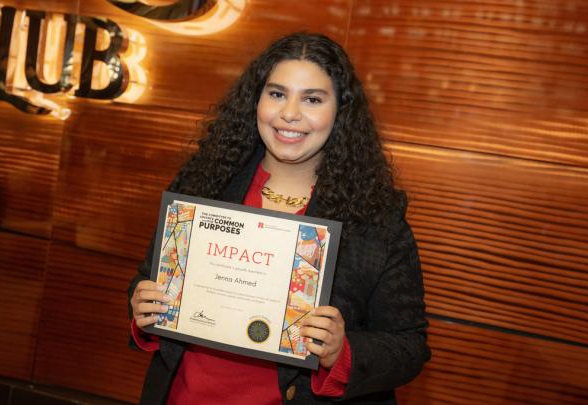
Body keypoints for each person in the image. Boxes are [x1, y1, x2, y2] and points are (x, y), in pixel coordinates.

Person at [128, 32, 430, 404]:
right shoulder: (203, 185)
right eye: (277, 94)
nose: (289, 113)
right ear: (257, 101)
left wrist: (342, 351)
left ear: (340, 112)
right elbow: (149, 280)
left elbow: (409, 345)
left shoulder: (376, 220)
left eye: (313, 99)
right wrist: (145, 306)